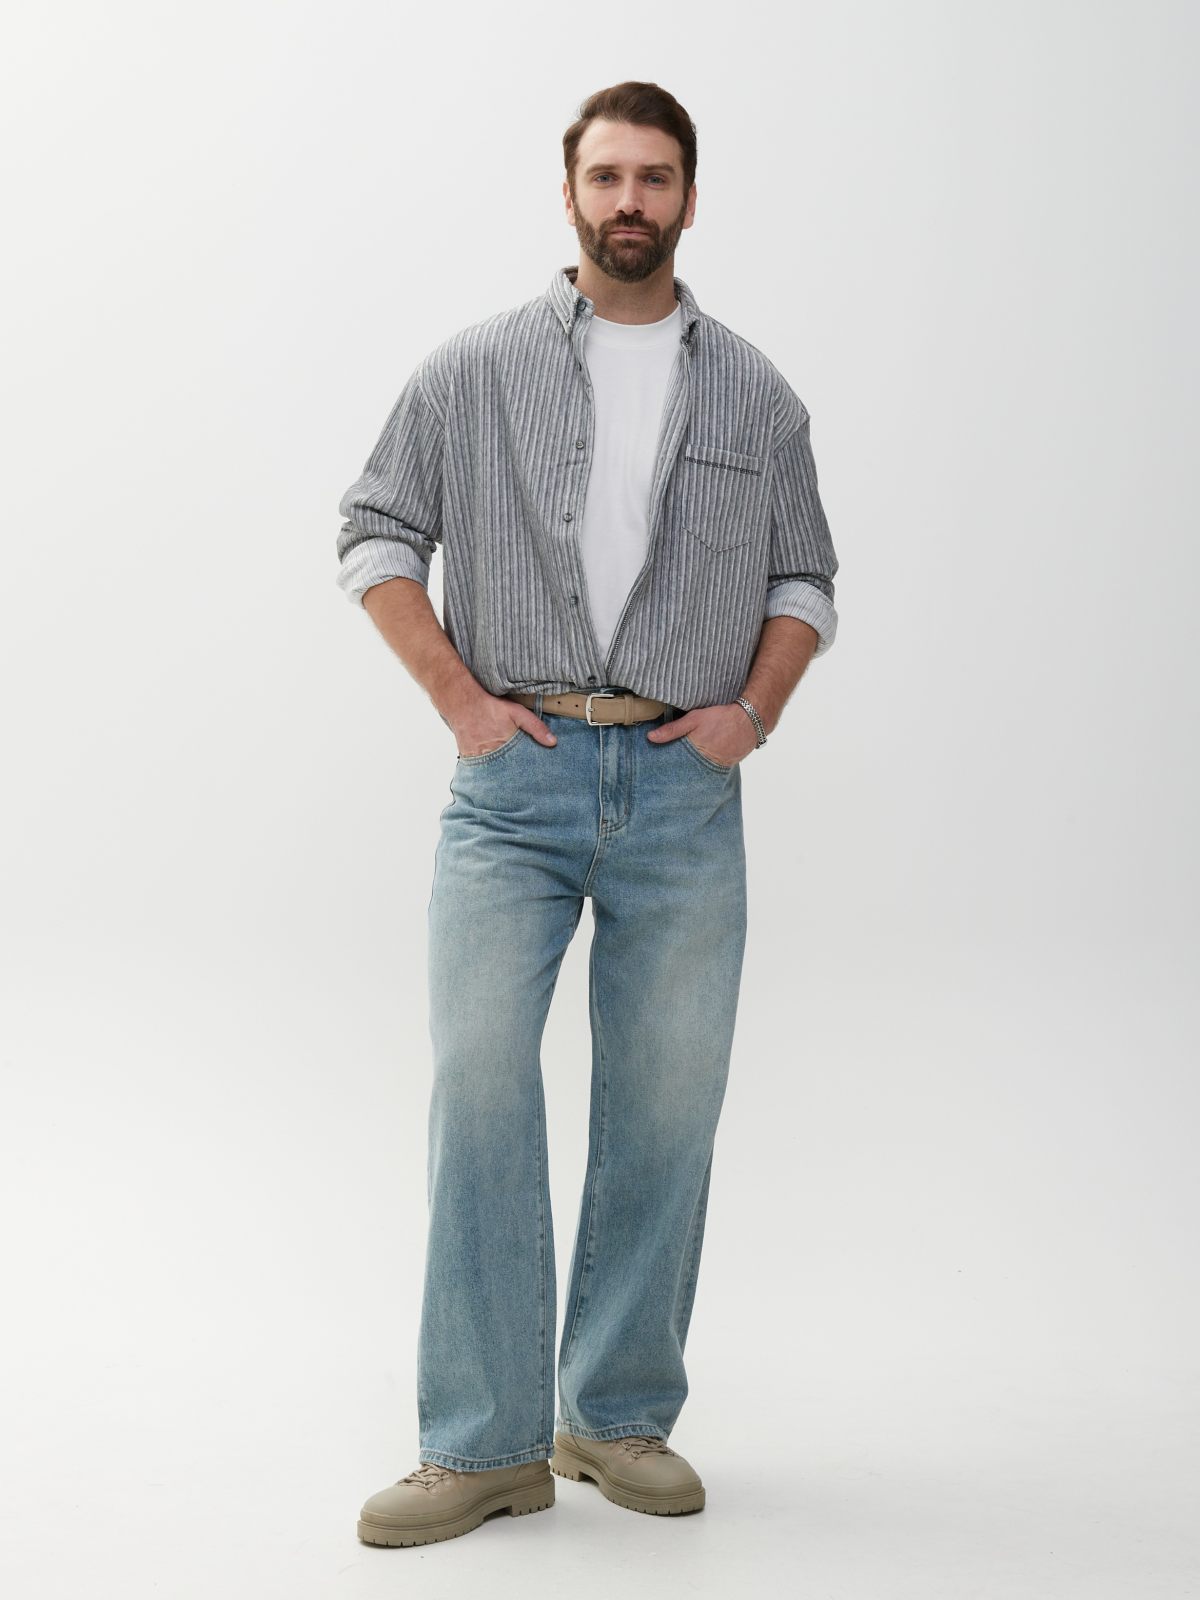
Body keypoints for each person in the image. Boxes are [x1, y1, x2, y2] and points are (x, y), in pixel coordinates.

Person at [337, 80, 839, 1548]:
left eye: (656, 177)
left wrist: (754, 712)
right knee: (482, 1082)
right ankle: (481, 1445)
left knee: (668, 1100)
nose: (631, 200)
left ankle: (613, 1418)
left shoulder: (758, 394)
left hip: (684, 788)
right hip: (515, 782)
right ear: (570, 193)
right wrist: (458, 701)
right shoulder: (473, 370)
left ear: (689, 199)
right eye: (608, 175)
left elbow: (805, 577)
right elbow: (375, 529)